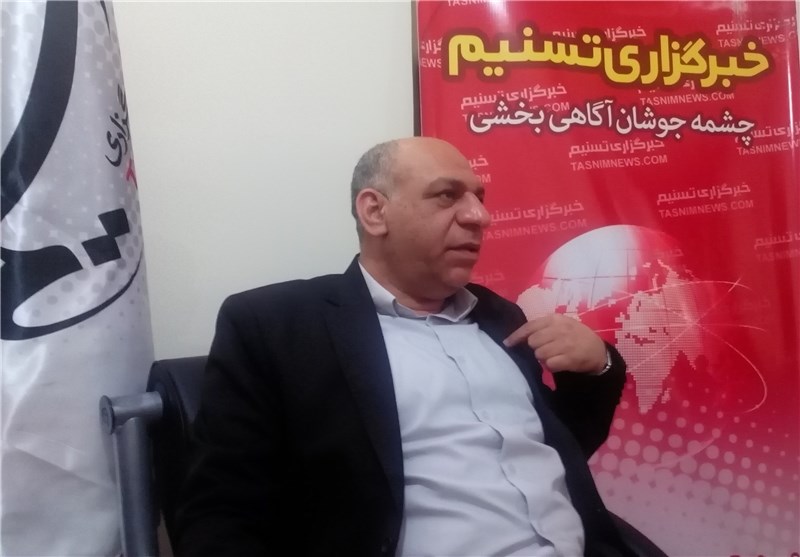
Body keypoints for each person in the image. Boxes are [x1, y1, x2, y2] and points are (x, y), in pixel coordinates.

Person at [175, 137, 631, 556]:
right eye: (447, 195)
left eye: (479, 197)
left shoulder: (500, 317)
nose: (479, 216)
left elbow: (555, 451)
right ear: (375, 212)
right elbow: (221, 510)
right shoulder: (278, 325)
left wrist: (600, 367)